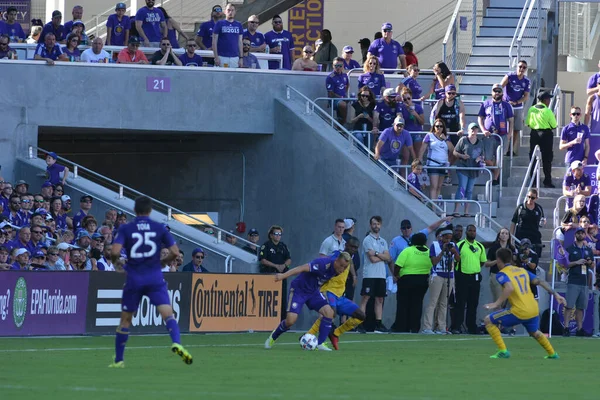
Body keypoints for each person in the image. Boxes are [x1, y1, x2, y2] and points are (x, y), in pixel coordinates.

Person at [109, 196, 192, 367]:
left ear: (135, 210)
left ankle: (119, 360)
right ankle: (176, 343)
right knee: (168, 314)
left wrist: (117, 264)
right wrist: (163, 262)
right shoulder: (159, 227)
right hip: (154, 277)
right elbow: (175, 252)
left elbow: (115, 250)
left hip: (134, 278)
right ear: (150, 210)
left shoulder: (126, 228)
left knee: (125, 320)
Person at [483, 248, 564, 359]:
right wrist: (555, 294)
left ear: (498, 260)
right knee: (534, 332)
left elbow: (509, 288)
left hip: (519, 311)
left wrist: (496, 303)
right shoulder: (522, 270)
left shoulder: (501, 274)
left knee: (488, 320)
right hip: (533, 309)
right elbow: (539, 281)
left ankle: (503, 351)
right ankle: (552, 354)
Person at [264, 251, 352, 351]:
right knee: (290, 321)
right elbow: (301, 268)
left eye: (345, 267)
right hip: (299, 290)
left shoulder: (337, 270)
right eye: (341, 266)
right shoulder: (322, 264)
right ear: (336, 261)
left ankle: (320, 343)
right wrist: (283, 276)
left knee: (329, 313)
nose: (343, 269)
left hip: (313, 292)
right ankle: (273, 337)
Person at [306, 238, 364, 350]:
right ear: (346, 245)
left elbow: (350, 265)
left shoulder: (349, 259)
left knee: (360, 315)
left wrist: (354, 275)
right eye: (351, 246)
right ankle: (311, 337)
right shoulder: (337, 256)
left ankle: (336, 333)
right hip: (329, 291)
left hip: (339, 295)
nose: (353, 249)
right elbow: (328, 265)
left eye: (355, 248)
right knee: (331, 313)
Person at [421, 226, 460, 334]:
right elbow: (434, 261)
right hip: (437, 275)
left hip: (449, 275)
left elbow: (458, 260)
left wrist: (454, 252)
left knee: (444, 303)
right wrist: (443, 251)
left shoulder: (454, 245)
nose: (448, 240)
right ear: (441, 237)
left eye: (450, 238)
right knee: (433, 301)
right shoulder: (435, 245)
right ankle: (427, 327)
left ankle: (441, 327)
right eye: (446, 238)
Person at [393, 232, 433, 333]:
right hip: (422, 280)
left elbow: (398, 265)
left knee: (403, 304)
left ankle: (401, 327)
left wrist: (396, 275)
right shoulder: (428, 252)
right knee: (417, 304)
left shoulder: (408, 250)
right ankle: (414, 327)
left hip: (407, 279)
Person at [358, 215, 392, 333]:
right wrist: (382, 256)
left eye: (378, 224)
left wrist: (377, 253)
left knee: (380, 299)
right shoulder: (367, 240)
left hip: (381, 275)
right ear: (370, 225)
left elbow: (388, 257)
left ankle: (378, 324)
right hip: (370, 274)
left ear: (380, 225)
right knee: (365, 298)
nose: (376, 226)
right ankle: (360, 323)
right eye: (374, 224)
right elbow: (371, 259)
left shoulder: (383, 241)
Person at [452, 224, 487, 334]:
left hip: (475, 277)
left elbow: (482, 261)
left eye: (474, 231)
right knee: (460, 303)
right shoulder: (460, 245)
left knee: (473, 303)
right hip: (462, 276)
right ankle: (457, 326)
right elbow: (455, 260)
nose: (472, 232)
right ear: (466, 232)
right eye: (470, 230)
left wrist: (474, 268)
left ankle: (471, 326)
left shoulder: (479, 246)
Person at [526, 90, 558, 188]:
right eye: (548, 99)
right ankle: (547, 181)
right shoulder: (547, 111)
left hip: (534, 134)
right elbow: (554, 125)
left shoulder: (531, 109)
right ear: (545, 100)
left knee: (533, 157)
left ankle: (533, 181)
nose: (549, 101)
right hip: (546, 134)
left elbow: (528, 123)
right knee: (547, 159)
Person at [452, 123, 485, 217]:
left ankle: (466, 211)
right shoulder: (463, 140)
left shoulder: (480, 142)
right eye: (472, 129)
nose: (474, 131)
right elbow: (455, 152)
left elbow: (482, 155)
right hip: (463, 167)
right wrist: (462, 156)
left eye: (475, 129)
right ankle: (456, 210)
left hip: (474, 169)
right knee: (462, 187)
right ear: (468, 130)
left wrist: (480, 159)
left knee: (470, 190)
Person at [258, 225, 291, 319]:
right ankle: (267, 319)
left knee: (282, 297)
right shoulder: (266, 246)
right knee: (269, 297)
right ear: (271, 235)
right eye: (276, 234)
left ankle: (282, 321)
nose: (278, 236)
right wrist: (276, 266)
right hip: (269, 275)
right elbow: (263, 260)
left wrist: (283, 266)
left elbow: (289, 259)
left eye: (280, 234)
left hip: (281, 275)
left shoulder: (283, 246)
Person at [501, 60, 530, 155]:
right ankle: (502, 148)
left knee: (516, 129)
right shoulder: (510, 76)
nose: (522, 69)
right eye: (520, 66)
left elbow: (526, 96)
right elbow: (500, 87)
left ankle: (511, 150)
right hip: (506, 106)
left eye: (524, 67)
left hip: (518, 107)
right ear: (517, 67)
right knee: (503, 127)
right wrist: (503, 101)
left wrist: (517, 102)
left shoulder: (526, 81)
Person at [420, 119, 453, 202]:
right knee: (434, 186)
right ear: (434, 127)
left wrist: (445, 139)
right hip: (433, 164)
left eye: (441, 126)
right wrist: (419, 161)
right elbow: (422, 149)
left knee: (439, 186)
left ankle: (436, 205)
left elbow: (452, 150)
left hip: (443, 165)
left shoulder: (446, 137)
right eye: (437, 126)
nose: (439, 128)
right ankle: (433, 207)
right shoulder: (429, 135)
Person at [478, 83, 514, 157]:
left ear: (502, 93)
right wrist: (483, 130)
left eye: (499, 91)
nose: (497, 93)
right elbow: (480, 118)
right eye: (495, 91)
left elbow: (511, 120)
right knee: (487, 158)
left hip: (502, 135)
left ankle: (497, 169)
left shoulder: (506, 105)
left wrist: (509, 134)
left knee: (500, 159)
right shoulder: (486, 103)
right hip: (489, 135)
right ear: (491, 92)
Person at [484, 227, 516, 307]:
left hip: (509, 276)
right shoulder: (493, 248)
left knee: (509, 302)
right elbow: (487, 264)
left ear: (509, 236)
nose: (504, 235)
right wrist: (497, 261)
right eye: (502, 233)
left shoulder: (511, 249)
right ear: (499, 235)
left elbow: (514, 263)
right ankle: (497, 319)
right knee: (498, 301)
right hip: (496, 275)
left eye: (506, 233)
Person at [510, 188, 545, 256]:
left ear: (536, 198)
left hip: (534, 236)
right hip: (521, 235)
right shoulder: (520, 207)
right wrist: (511, 237)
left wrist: (543, 222)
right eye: (529, 197)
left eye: (532, 198)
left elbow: (542, 219)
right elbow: (513, 222)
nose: (530, 199)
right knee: (521, 256)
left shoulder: (539, 208)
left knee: (535, 256)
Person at [212, 3, 243, 68]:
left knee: (233, 77)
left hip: (235, 57)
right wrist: (216, 57)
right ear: (225, 11)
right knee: (221, 77)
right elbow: (214, 41)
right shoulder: (219, 23)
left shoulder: (239, 25)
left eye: (232, 10)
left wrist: (241, 58)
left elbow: (240, 42)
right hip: (222, 57)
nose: (230, 12)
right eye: (228, 10)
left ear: (235, 12)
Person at [326, 57, 349, 125]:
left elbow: (347, 85)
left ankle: (343, 123)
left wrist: (344, 94)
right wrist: (341, 97)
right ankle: (344, 123)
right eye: (336, 66)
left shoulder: (345, 76)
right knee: (343, 104)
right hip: (334, 99)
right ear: (333, 66)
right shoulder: (330, 77)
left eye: (340, 66)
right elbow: (330, 93)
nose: (338, 67)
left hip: (342, 98)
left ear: (343, 66)